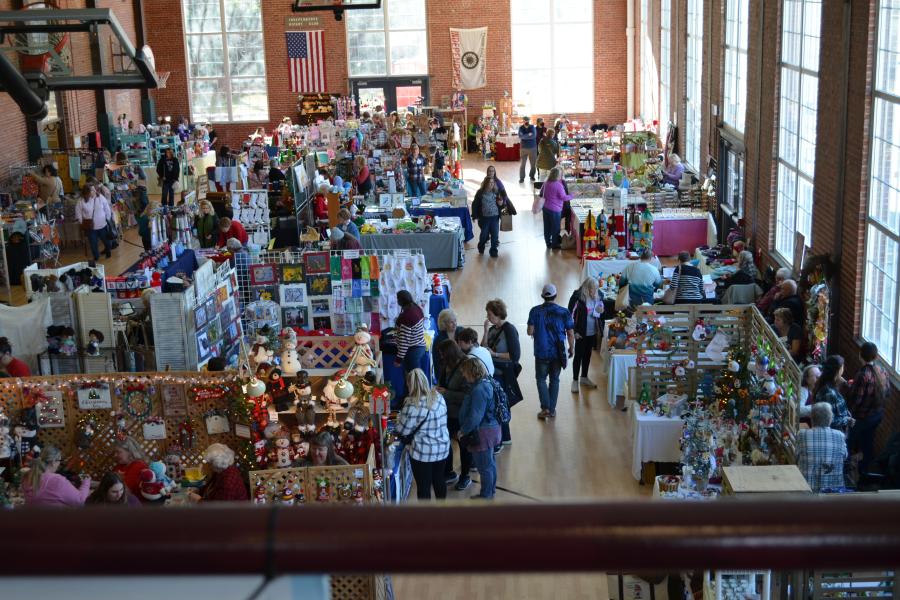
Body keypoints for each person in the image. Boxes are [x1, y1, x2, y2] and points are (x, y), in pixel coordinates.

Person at [396, 369, 450, 500]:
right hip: (442, 448)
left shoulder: (411, 405)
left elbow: (402, 431)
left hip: (422, 453)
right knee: (439, 480)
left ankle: (426, 516)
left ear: (409, 385)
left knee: (423, 486)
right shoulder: (438, 397)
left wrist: (399, 418)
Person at [528, 284, 576, 420]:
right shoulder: (564, 312)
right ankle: (552, 410)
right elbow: (570, 333)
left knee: (541, 379)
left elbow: (530, 331)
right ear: (555, 295)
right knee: (555, 380)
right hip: (558, 352)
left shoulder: (535, 311)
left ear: (543, 296)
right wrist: (571, 348)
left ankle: (545, 408)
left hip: (541, 351)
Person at [482, 298, 522, 450]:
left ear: (498, 314)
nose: (488, 317)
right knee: (497, 405)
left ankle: (504, 438)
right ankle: (502, 437)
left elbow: (515, 355)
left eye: (490, 313)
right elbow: (483, 347)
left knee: (501, 405)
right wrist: (485, 331)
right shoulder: (492, 329)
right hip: (493, 373)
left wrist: (495, 354)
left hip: (502, 374)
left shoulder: (509, 330)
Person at [458, 358, 500, 499]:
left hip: (483, 433)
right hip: (492, 429)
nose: (463, 376)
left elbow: (475, 416)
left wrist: (463, 430)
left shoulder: (479, 390)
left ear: (471, 371)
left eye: (464, 372)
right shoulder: (486, 383)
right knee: (490, 464)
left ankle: (486, 496)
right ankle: (490, 492)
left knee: (484, 467)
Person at [846, 342, 889, 479]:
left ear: (860, 355)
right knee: (868, 442)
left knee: (848, 441)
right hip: (877, 415)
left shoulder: (862, 374)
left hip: (861, 417)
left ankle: (846, 471)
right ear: (876, 356)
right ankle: (865, 471)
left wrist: (849, 414)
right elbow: (887, 393)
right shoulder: (882, 370)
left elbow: (857, 401)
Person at [434, 339, 473, 489]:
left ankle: (465, 476)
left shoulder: (466, 366)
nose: (441, 358)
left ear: (450, 353)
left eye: (443, 355)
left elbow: (468, 396)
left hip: (461, 414)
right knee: (446, 442)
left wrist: (447, 393)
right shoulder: (447, 365)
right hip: (446, 412)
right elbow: (443, 383)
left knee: (464, 447)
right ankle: (449, 472)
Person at [798, 402, 848, 492]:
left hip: (807, 491)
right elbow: (845, 456)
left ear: (812, 418)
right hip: (834, 492)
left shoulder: (802, 434)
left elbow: (795, 456)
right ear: (830, 419)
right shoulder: (840, 435)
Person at [567, 278, 604, 394]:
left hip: (592, 331)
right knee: (578, 356)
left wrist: (601, 310)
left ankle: (584, 377)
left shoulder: (598, 296)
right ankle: (574, 380)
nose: (596, 291)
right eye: (594, 289)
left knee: (587, 355)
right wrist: (575, 331)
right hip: (580, 332)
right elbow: (570, 315)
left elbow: (601, 310)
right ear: (587, 288)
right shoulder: (577, 298)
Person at [22, 445, 90, 506]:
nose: (59, 464)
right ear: (53, 462)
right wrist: (86, 481)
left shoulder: (28, 476)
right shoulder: (57, 481)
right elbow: (80, 501)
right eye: (59, 460)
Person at [813, 355, 853, 433]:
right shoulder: (828, 392)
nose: (843, 369)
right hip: (834, 432)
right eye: (842, 367)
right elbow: (829, 419)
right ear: (838, 370)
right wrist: (847, 420)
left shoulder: (828, 383)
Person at [471, 173, 507, 258]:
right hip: (484, 218)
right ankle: (481, 246)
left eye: (492, 183)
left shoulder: (496, 192)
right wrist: (474, 215)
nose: (491, 184)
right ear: (486, 183)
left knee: (495, 234)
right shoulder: (480, 192)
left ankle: (493, 250)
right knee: (484, 235)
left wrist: (501, 204)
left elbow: (501, 203)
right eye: (490, 183)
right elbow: (475, 204)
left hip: (495, 217)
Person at [75, 183, 113, 260]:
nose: (94, 191)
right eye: (92, 190)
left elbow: (107, 208)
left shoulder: (100, 197)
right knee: (93, 244)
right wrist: (82, 222)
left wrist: (108, 219)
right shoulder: (81, 201)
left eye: (94, 189)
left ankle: (108, 250)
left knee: (106, 241)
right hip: (90, 227)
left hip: (102, 225)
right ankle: (96, 256)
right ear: (87, 192)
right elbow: (78, 212)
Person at [541, 167, 574, 249]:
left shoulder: (546, 183)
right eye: (560, 174)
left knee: (547, 226)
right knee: (555, 228)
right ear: (557, 175)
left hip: (545, 208)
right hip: (555, 210)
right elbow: (564, 197)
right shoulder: (558, 185)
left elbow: (541, 193)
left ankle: (548, 243)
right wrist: (573, 195)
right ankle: (554, 244)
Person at [394, 290, 427, 374]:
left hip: (412, 352)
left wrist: (398, 360)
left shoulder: (406, 317)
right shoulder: (416, 308)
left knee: (413, 381)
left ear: (400, 301)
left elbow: (404, 342)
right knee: (417, 379)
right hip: (420, 346)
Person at [433, 309, 463, 378]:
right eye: (451, 322)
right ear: (444, 324)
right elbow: (437, 362)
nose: (455, 324)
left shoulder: (461, 331)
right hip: (448, 373)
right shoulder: (439, 340)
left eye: (455, 320)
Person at [518, 115, 537, 183]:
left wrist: (524, 136)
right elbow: (520, 136)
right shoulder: (521, 128)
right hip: (523, 148)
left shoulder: (532, 127)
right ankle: (522, 178)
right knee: (523, 164)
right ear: (523, 121)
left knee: (533, 164)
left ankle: (532, 176)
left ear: (529, 121)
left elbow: (533, 136)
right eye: (524, 121)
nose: (526, 122)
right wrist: (528, 135)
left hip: (532, 148)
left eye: (527, 121)